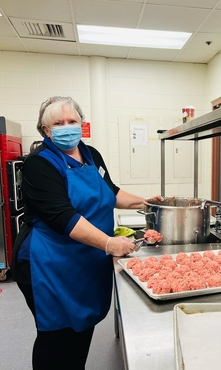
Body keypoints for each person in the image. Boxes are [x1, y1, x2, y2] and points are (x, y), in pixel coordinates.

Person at [11, 96, 162, 370]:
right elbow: (62, 216)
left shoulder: (90, 153)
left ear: (82, 123)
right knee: (56, 338)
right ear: (46, 130)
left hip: (86, 260)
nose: (66, 127)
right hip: (50, 264)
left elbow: (111, 191)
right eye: (58, 123)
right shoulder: (39, 163)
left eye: (72, 121)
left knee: (81, 330)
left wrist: (149, 203)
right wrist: (108, 243)